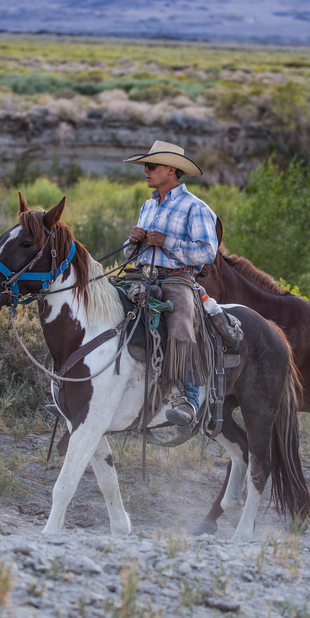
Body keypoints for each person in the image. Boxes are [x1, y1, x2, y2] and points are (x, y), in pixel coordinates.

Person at [122, 141, 218, 427]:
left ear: (172, 170)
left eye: (151, 166)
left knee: (181, 327)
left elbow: (207, 252)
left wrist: (167, 242)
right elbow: (129, 253)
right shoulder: (148, 205)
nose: (146, 171)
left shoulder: (195, 207)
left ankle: (188, 398)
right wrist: (133, 242)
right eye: (145, 167)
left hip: (177, 279)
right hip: (141, 276)